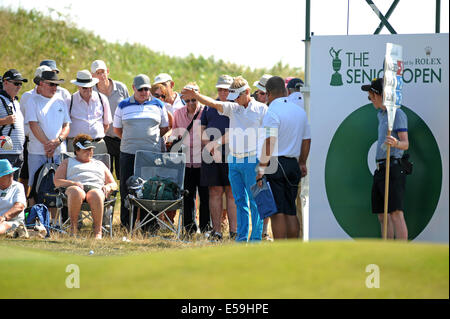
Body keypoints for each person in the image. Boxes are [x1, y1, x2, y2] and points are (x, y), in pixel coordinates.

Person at [182, 76, 267, 242]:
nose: (234, 100)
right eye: (232, 97)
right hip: (234, 161)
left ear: (247, 92)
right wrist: (197, 96)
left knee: (255, 201)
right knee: (240, 200)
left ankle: (256, 238)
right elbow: (213, 104)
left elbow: (268, 136)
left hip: (252, 160)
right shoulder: (233, 107)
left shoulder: (262, 109)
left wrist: (264, 162)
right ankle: (242, 237)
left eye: (237, 97)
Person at [256, 76, 311, 240]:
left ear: (268, 94)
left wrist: (261, 168)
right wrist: (302, 162)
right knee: (291, 210)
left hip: (275, 164)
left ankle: (281, 250)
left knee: (278, 212)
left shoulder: (272, 111)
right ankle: (293, 249)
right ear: (286, 91)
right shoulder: (299, 111)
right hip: (293, 164)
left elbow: (269, 142)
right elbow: (307, 139)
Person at [113, 74, 169, 231]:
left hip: (151, 154)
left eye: (147, 89)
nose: (145, 92)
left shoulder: (158, 104)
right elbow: (116, 129)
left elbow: (164, 127)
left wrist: (149, 139)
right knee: (126, 187)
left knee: (149, 188)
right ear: (133, 88)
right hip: (128, 153)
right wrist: (131, 139)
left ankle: (148, 225)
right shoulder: (123, 105)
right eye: (141, 89)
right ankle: (127, 225)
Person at [361, 78, 409, 240]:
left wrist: (396, 143)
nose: (371, 100)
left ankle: (401, 253)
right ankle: (387, 250)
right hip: (380, 169)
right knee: (382, 215)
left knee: (396, 213)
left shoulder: (398, 114)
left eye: (372, 96)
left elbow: (406, 144)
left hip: (393, 167)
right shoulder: (381, 115)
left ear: (382, 95)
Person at [25, 70, 71, 225]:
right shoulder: (33, 100)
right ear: (41, 84)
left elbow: (66, 125)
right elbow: (33, 124)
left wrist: (57, 142)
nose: (54, 87)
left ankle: (54, 222)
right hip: (37, 151)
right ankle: (35, 220)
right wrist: (48, 144)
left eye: (56, 85)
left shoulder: (60, 100)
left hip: (58, 151)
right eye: (52, 84)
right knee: (35, 185)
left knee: (57, 186)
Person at [54, 134, 117, 239]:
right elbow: (57, 181)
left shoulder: (99, 164)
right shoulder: (68, 162)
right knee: (76, 192)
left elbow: (113, 183)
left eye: (91, 149)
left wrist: (109, 187)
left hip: (96, 188)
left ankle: (98, 231)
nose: (89, 152)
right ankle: (73, 229)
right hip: (76, 187)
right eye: (85, 150)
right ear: (77, 151)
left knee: (96, 194)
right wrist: (72, 183)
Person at [169, 82, 210, 235]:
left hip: (204, 161)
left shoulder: (206, 111)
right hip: (186, 161)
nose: (191, 103)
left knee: (205, 197)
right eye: (188, 100)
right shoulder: (178, 113)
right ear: (183, 100)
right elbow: (175, 133)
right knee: (187, 196)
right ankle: (189, 229)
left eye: (194, 99)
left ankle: (206, 228)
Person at [200, 75, 237, 240]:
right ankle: (217, 231)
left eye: (226, 89)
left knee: (232, 192)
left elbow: (235, 131)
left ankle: (234, 231)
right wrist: (211, 148)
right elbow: (202, 129)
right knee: (214, 191)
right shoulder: (208, 108)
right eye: (220, 89)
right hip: (211, 156)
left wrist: (216, 145)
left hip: (233, 153)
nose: (223, 92)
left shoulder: (237, 107)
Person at [91, 60, 130, 178]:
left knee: (123, 173)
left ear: (107, 71)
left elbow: (127, 110)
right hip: (104, 138)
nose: (101, 75)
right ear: (92, 76)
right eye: (97, 73)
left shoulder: (121, 87)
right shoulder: (91, 91)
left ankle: (124, 196)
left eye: (103, 72)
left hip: (121, 137)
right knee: (104, 174)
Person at [19, 65, 53, 195]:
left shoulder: (55, 96)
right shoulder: (27, 97)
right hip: (30, 142)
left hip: (51, 146)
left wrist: (50, 143)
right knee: (27, 177)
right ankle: (27, 208)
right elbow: (23, 122)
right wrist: (35, 135)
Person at [286, 77, 310, 239]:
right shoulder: (310, 103)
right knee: (304, 202)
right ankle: (304, 236)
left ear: (289, 91)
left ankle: (293, 239)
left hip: (291, 159)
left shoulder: (286, 104)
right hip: (310, 157)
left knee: (291, 204)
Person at [67, 70, 112, 154]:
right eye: (85, 88)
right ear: (78, 86)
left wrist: (96, 136)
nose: (88, 90)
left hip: (97, 145)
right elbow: (65, 125)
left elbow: (106, 124)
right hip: (76, 146)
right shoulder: (70, 100)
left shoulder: (102, 98)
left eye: (90, 87)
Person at [0, 69, 27, 180]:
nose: (19, 86)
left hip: (18, 151)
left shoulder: (16, 102)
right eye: (16, 83)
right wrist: (4, 121)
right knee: (4, 184)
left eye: (20, 84)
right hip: (4, 152)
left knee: (13, 185)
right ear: (5, 82)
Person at [0, 159, 27, 235]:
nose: (11, 176)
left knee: (2, 226)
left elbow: (19, 207)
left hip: (13, 221)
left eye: (11, 174)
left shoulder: (18, 187)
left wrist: (4, 217)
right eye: (8, 174)